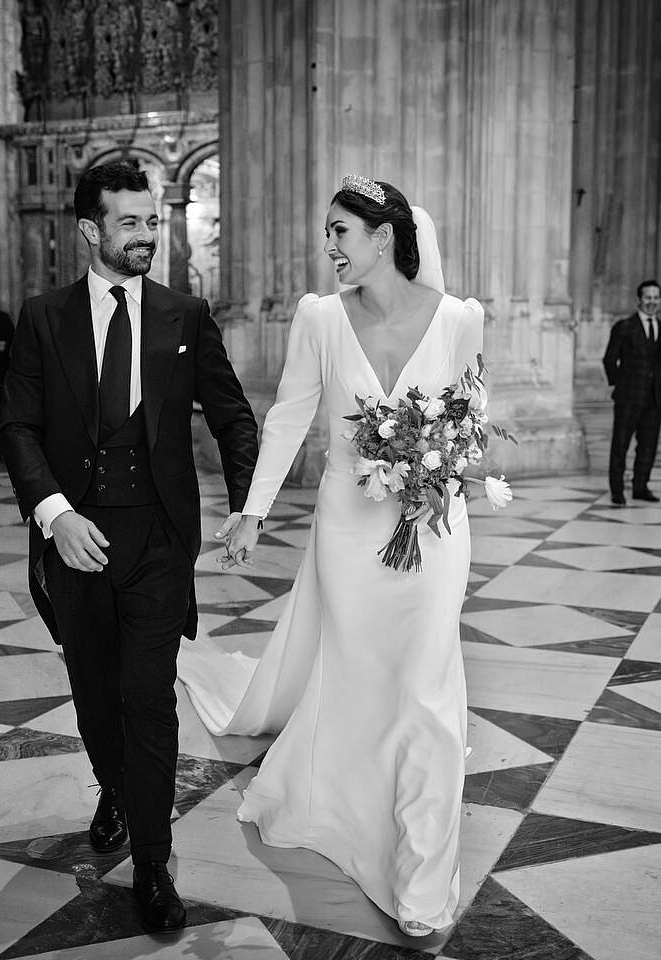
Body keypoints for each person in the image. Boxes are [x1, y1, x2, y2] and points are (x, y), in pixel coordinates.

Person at [181, 176, 483, 939]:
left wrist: (440, 468)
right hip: (349, 530)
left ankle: (420, 874)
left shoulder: (458, 320)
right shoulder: (319, 319)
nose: (329, 248)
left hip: (430, 528)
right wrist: (251, 511)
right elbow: (288, 417)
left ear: (383, 238)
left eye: (339, 233)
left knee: (425, 684)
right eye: (327, 234)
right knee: (356, 677)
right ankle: (345, 810)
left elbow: (473, 419)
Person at [0, 160, 259, 933]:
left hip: (157, 542)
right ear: (90, 230)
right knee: (96, 694)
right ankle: (112, 786)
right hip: (77, 541)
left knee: (148, 697)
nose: (149, 235)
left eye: (154, 221)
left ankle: (152, 861)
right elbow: (17, 426)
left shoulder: (185, 314)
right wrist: (54, 514)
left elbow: (232, 414)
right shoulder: (44, 318)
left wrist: (250, 500)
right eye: (132, 223)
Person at [602, 279, 661, 504]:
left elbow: (660, 365)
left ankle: (641, 486)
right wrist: (620, 385)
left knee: (649, 444)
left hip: (654, 397)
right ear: (639, 300)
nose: (652, 302)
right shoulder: (624, 327)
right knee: (621, 443)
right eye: (647, 297)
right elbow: (609, 360)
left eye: (655, 298)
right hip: (628, 396)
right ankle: (617, 490)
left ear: (660, 300)